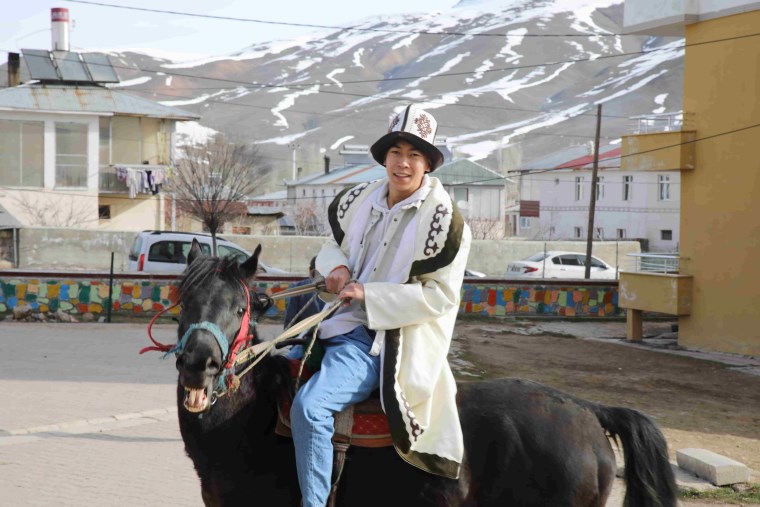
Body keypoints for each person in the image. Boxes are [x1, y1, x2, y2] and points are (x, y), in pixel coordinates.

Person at [290, 104, 472, 507]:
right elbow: (330, 247)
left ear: (427, 164)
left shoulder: (445, 223)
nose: (402, 163)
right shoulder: (360, 200)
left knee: (309, 406)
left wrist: (369, 294)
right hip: (331, 322)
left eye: (413, 155)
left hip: (380, 341)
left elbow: (439, 297)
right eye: (395, 153)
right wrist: (335, 265)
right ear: (384, 158)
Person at [283, 256, 325, 330]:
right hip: (327, 336)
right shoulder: (336, 290)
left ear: (310, 270)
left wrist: (285, 338)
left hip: (302, 336)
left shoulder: (297, 288)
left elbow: (290, 317)